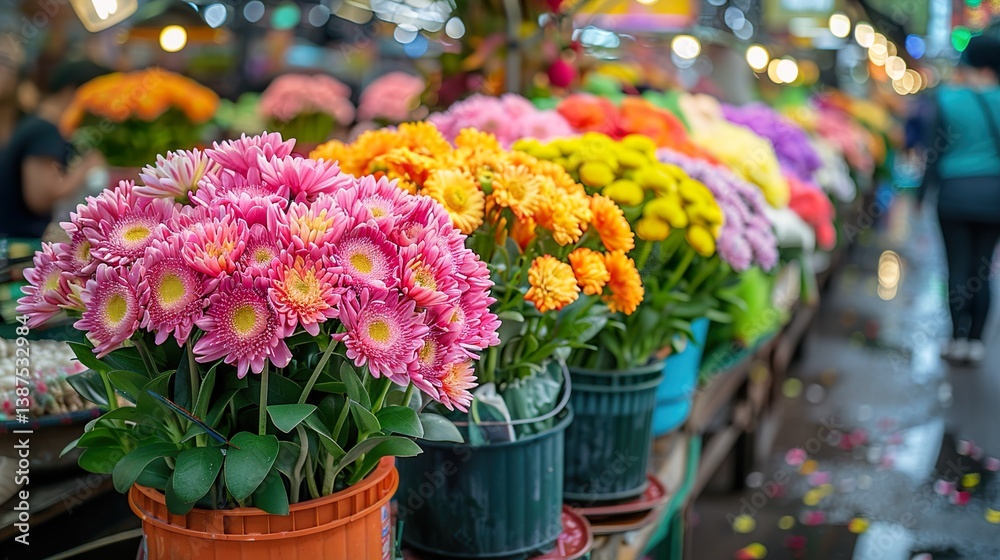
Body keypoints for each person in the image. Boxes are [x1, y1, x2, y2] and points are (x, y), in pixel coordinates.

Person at [921, 35, 1000, 364]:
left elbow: (933, 154)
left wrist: (920, 194)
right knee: (982, 270)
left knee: (956, 267)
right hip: (994, 198)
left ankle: (956, 338)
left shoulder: (948, 98)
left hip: (954, 194)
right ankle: (977, 342)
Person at [0, 59, 109, 240]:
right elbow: (40, 199)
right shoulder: (46, 130)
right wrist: (87, 165)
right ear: (73, 91)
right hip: (18, 242)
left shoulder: (35, 123)